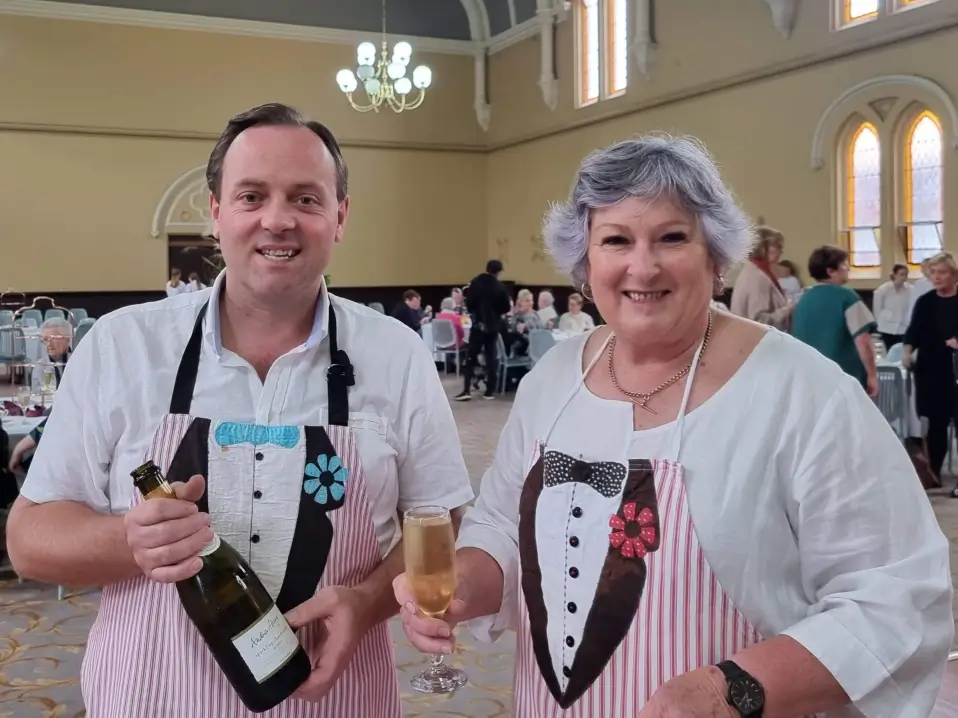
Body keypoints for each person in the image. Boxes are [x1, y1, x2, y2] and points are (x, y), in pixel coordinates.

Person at [394, 135, 952, 718]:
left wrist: (732, 689)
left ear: (716, 254)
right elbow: (505, 529)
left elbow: (897, 600)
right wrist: (460, 584)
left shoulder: (804, 393)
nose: (643, 265)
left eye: (672, 237)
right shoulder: (552, 381)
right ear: (585, 264)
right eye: (616, 240)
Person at [7, 103, 474, 717]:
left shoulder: (396, 355)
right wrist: (130, 540)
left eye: (306, 199)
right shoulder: (123, 345)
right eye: (252, 196)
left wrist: (366, 601)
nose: (277, 220)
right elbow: (29, 541)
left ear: (340, 217)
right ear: (217, 212)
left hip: (336, 700)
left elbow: (440, 519)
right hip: (153, 698)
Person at [904, 251, 958, 493]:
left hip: (955, 369)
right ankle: (933, 472)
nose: (936, 277)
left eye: (942, 273)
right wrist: (907, 352)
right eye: (933, 273)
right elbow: (913, 332)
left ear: (954, 275)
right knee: (935, 424)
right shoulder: (925, 301)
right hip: (931, 370)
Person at [792, 245, 878, 397]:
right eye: (844, 264)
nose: (848, 268)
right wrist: (872, 375)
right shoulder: (846, 297)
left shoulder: (803, 299)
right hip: (842, 378)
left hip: (809, 378)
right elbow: (863, 340)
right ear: (830, 271)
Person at [456, 259, 510, 401]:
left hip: (478, 325)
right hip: (493, 326)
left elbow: (470, 303)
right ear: (499, 272)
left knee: (471, 357)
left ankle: (467, 389)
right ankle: (489, 391)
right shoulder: (500, 287)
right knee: (491, 356)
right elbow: (506, 308)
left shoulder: (476, 283)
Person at [729, 226, 793, 330]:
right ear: (763, 247)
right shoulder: (757, 277)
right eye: (778, 246)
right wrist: (789, 309)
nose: (781, 251)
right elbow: (760, 321)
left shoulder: (753, 270)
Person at [872, 263, 911, 350]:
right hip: (887, 327)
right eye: (901, 274)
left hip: (903, 327)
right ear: (894, 275)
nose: (904, 277)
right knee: (889, 351)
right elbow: (877, 308)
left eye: (906, 275)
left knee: (902, 350)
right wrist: (880, 322)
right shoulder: (883, 290)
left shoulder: (910, 290)